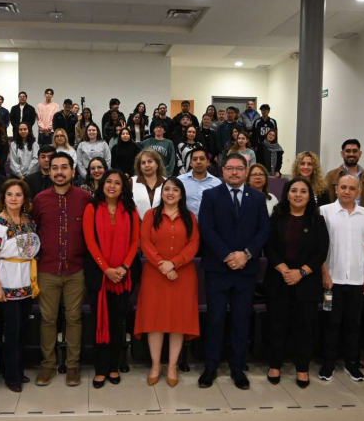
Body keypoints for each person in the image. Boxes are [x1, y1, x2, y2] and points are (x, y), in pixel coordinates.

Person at [198, 154, 271, 390]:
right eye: (230, 168)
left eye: (239, 168)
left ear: (246, 171)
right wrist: (228, 255)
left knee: (241, 320)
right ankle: (210, 367)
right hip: (218, 268)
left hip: (245, 271)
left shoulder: (257, 198)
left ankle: (238, 368)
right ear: (223, 171)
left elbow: (263, 230)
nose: (234, 172)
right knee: (215, 319)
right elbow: (206, 228)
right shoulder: (210, 195)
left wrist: (246, 254)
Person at [31, 152, 91, 386]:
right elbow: (34, 231)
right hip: (47, 268)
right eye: (54, 167)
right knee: (48, 319)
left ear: (73, 171)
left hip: (76, 269)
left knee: (74, 318)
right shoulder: (39, 199)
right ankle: (48, 364)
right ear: (49, 172)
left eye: (64, 167)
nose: (59, 172)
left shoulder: (85, 198)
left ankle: (72, 366)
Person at [264, 177, 328, 388]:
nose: (298, 195)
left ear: (309, 196)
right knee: (276, 324)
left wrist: (300, 272)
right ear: (287, 194)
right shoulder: (276, 217)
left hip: (306, 282)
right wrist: (284, 269)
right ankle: (274, 365)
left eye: (303, 191)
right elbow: (269, 247)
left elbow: (321, 252)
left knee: (304, 327)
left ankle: (302, 368)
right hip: (279, 279)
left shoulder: (317, 220)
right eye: (294, 190)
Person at [136, 178, 200, 387]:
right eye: (167, 189)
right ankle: (156, 365)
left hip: (182, 275)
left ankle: (172, 366)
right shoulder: (150, 215)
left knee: (177, 322)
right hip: (155, 275)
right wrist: (162, 265)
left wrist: (174, 263)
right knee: (154, 321)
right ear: (161, 193)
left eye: (175, 190)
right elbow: (145, 242)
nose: (170, 193)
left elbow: (194, 244)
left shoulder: (190, 217)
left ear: (181, 195)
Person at [83, 169, 140, 388]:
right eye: (109, 181)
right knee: (99, 321)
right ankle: (100, 369)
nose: (112, 186)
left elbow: (135, 241)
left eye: (117, 182)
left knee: (117, 323)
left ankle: (114, 367)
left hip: (123, 277)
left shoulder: (131, 210)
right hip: (99, 277)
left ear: (123, 187)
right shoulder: (91, 208)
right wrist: (106, 269)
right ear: (102, 184)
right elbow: (90, 242)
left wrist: (124, 267)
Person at [319, 175, 364, 382]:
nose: (347, 191)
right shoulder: (324, 211)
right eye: (343, 187)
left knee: (354, 324)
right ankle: (328, 363)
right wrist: (325, 273)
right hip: (331, 280)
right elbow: (319, 246)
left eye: (352, 188)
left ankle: (352, 363)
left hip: (357, 279)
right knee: (331, 322)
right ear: (336, 189)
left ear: (358, 192)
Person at [0, 179, 40, 392]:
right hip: (8, 281)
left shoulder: (28, 220)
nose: (14, 198)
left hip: (27, 280)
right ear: (3, 198)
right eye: (10, 194)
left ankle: (19, 370)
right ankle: (11, 376)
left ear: (25, 198)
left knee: (23, 328)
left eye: (18, 195)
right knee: (13, 330)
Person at [324, 139, 364, 212]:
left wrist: (361, 215)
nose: (351, 154)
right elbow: (327, 202)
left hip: (363, 217)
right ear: (342, 154)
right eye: (348, 151)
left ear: (360, 154)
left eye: (355, 151)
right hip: (337, 216)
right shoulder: (331, 175)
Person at [178, 146, 220, 218]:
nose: (198, 162)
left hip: (209, 223)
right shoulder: (180, 181)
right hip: (186, 223)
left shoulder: (217, 183)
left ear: (208, 162)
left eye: (202, 158)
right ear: (190, 163)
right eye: (195, 159)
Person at [131, 149, 166, 221]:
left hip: (161, 224)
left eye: (150, 161)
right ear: (140, 167)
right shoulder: (132, 182)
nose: (146, 165)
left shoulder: (167, 182)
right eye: (143, 163)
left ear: (157, 164)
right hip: (138, 225)